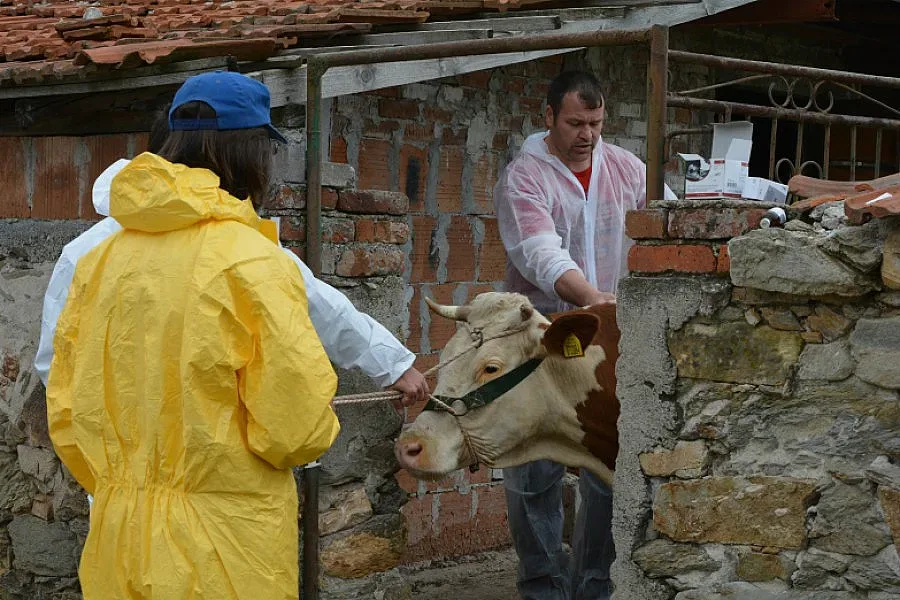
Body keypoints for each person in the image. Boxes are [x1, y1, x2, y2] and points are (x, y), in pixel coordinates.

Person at [43, 71, 342, 599]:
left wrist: (124, 487)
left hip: (120, 538)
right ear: (253, 155)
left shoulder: (99, 260)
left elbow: (68, 412)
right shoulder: (250, 260)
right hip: (226, 547)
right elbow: (294, 427)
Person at [35, 112, 428, 407]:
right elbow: (318, 308)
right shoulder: (246, 249)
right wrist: (392, 365)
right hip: (221, 490)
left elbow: (56, 371)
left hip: (120, 491)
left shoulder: (84, 251)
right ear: (238, 159)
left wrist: (105, 459)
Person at [493, 71, 675, 600]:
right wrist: (593, 298)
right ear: (548, 117)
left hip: (611, 342)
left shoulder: (627, 169)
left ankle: (595, 586)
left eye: (595, 123)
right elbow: (538, 251)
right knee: (532, 471)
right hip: (541, 339)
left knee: (604, 474)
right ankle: (543, 587)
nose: (587, 134)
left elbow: (664, 218)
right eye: (575, 122)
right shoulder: (525, 177)